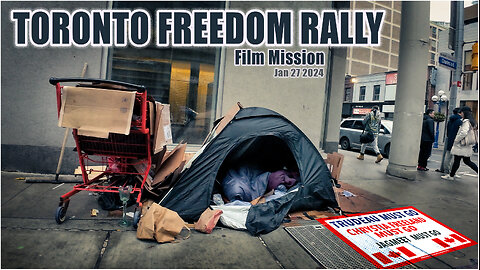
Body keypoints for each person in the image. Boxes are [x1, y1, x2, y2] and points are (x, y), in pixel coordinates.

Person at [441, 106, 478, 180]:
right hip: (467, 144)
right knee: (466, 161)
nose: (460, 114)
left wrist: (456, 140)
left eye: (461, 112)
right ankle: (452, 175)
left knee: (457, 161)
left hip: (461, 144)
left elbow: (463, 132)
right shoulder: (472, 121)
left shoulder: (466, 122)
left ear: (464, 113)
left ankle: (451, 176)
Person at [441, 108, 462, 173]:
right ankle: (452, 171)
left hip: (450, 139)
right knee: (455, 158)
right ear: (459, 113)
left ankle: (446, 170)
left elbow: (447, 131)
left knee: (448, 155)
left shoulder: (450, 120)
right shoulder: (460, 121)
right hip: (457, 140)